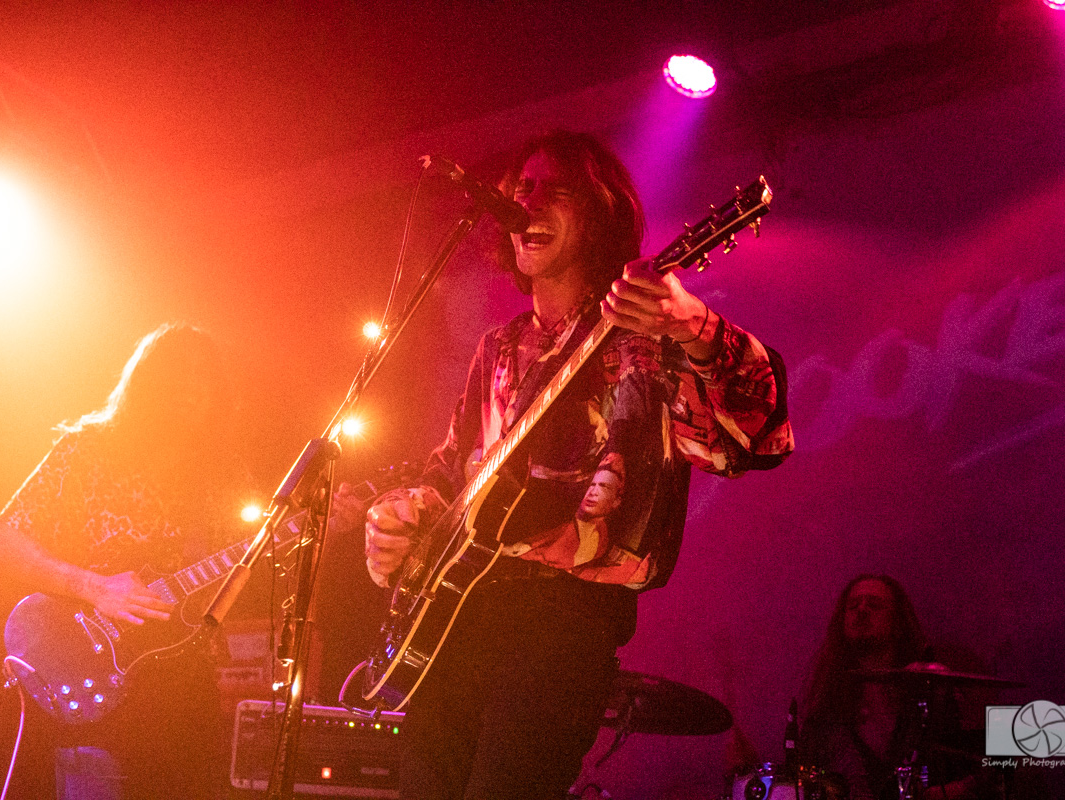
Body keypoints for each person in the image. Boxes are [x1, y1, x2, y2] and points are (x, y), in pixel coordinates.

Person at [363, 130, 794, 798]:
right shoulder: (498, 347)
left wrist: (693, 325)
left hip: (560, 629)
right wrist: (401, 519)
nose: (528, 202)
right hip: (451, 627)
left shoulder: (646, 340)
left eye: (555, 190)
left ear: (600, 213)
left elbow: (756, 441)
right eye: (521, 189)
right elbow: (452, 473)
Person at [0, 323, 246, 800]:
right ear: (147, 384)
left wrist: (325, 525)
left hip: (183, 686)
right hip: (82, 670)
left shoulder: (219, 472)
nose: (193, 390)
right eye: (180, 376)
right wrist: (93, 586)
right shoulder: (87, 451)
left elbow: (243, 566)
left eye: (205, 378)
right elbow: (1, 541)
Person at [798, 575, 990, 800]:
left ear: (898, 623)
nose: (862, 610)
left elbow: (1003, 758)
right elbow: (804, 776)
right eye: (853, 605)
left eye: (875, 605)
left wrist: (962, 788)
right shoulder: (826, 704)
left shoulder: (931, 688)